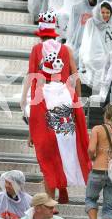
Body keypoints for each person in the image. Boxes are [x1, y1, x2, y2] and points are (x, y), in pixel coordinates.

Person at [22, 12, 91, 203]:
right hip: (66, 102)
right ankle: (62, 186)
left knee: (47, 154)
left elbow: (32, 79)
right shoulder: (67, 49)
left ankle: (51, 197)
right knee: (65, 148)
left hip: (44, 103)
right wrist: (77, 101)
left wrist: (27, 114)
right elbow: (75, 75)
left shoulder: (36, 50)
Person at [79, 1, 112, 94]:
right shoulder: (91, 23)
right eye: (103, 12)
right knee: (95, 91)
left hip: (109, 63)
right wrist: (82, 61)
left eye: (108, 12)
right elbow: (85, 41)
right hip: (94, 61)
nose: (105, 15)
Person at [66, 0, 99, 64]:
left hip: (93, 40)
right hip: (79, 39)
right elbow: (72, 24)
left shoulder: (99, 8)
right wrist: (72, 38)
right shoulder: (77, 7)